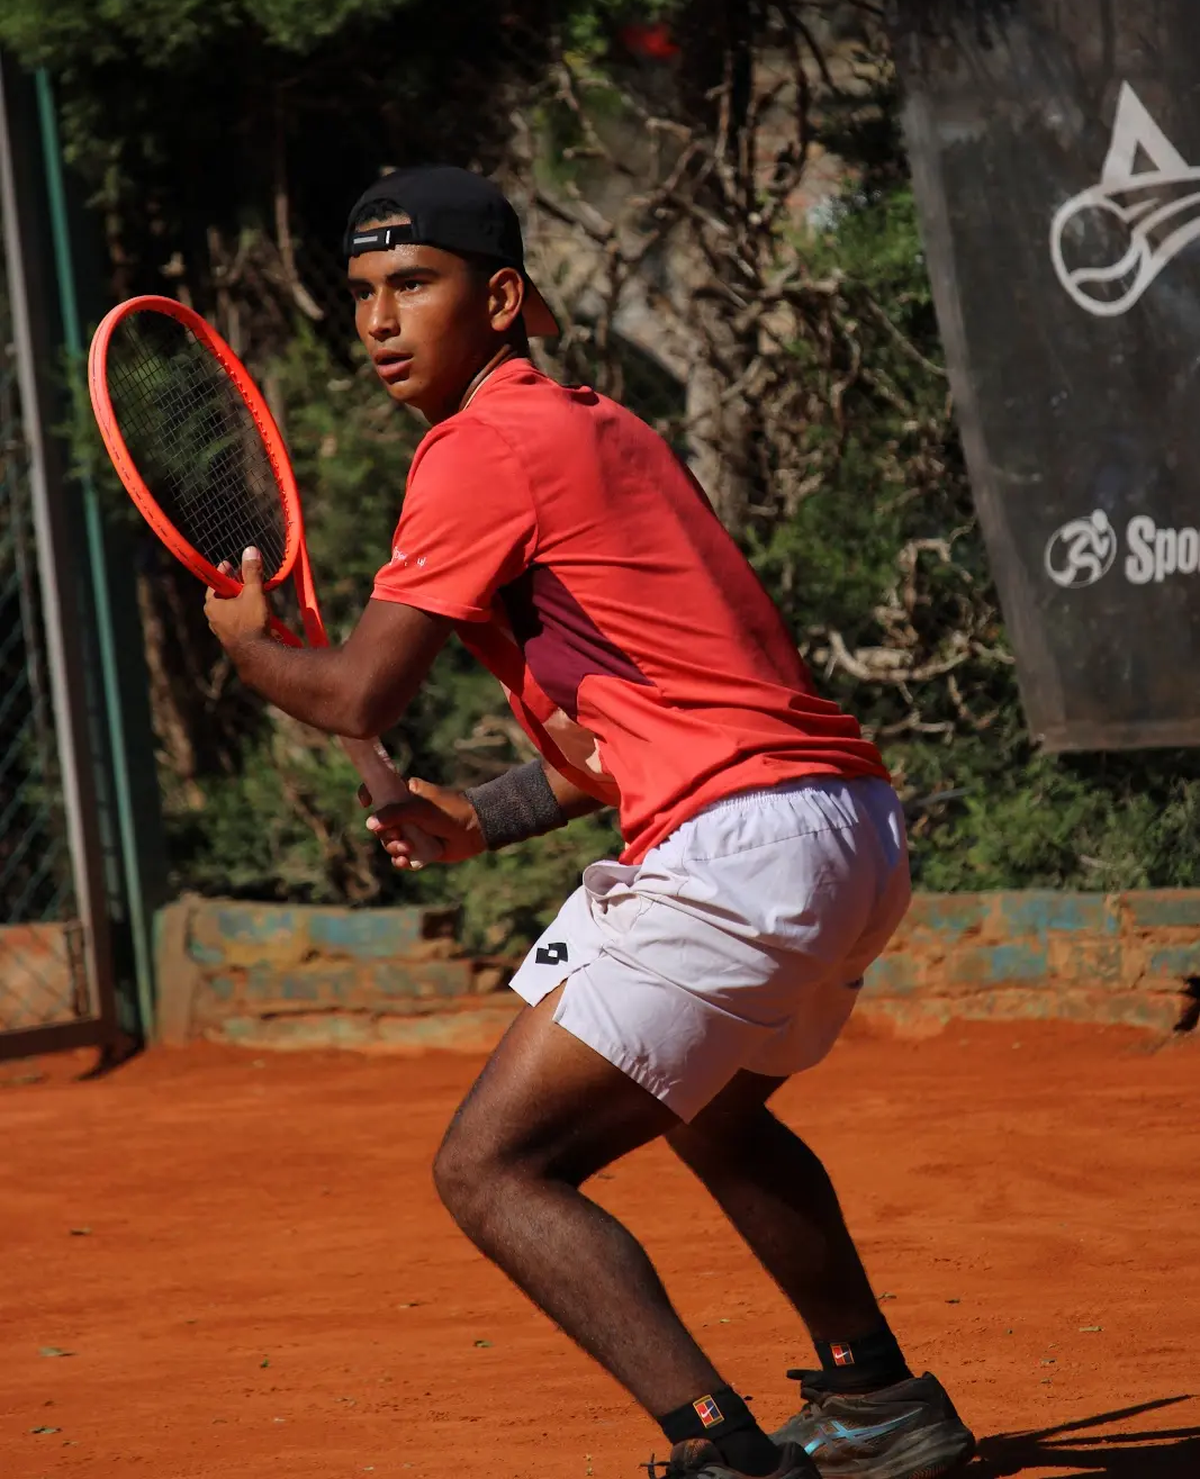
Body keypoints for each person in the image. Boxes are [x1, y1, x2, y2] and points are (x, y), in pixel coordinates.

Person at [204, 166, 976, 1479]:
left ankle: (721, 1449)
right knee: (717, 1114)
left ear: (500, 297)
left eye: (414, 283)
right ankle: (880, 1399)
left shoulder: (478, 446)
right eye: (363, 295)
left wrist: (254, 647)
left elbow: (357, 689)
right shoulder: (600, 424)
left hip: (746, 844)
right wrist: (480, 815)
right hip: (845, 824)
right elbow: (612, 740)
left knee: (492, 1168)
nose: (381, 321)